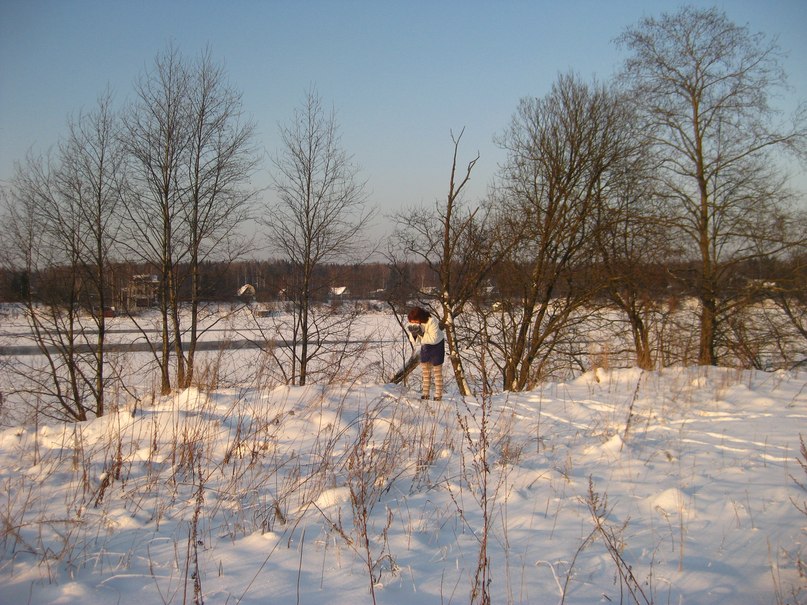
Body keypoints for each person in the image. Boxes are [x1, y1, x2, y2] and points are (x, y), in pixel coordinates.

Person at [406, 306, 445, 400]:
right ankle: (425, 394)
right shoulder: (412, 324)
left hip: (437, 345)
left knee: (437, 371)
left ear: (420, 318)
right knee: (425, 370)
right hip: (426, 346)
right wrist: (414, 335)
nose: (413, 323)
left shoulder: (431, 321)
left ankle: (438, 395)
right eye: (412, 321)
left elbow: (433, 338)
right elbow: (414, 341)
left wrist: (422, 333)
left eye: (415, 321)